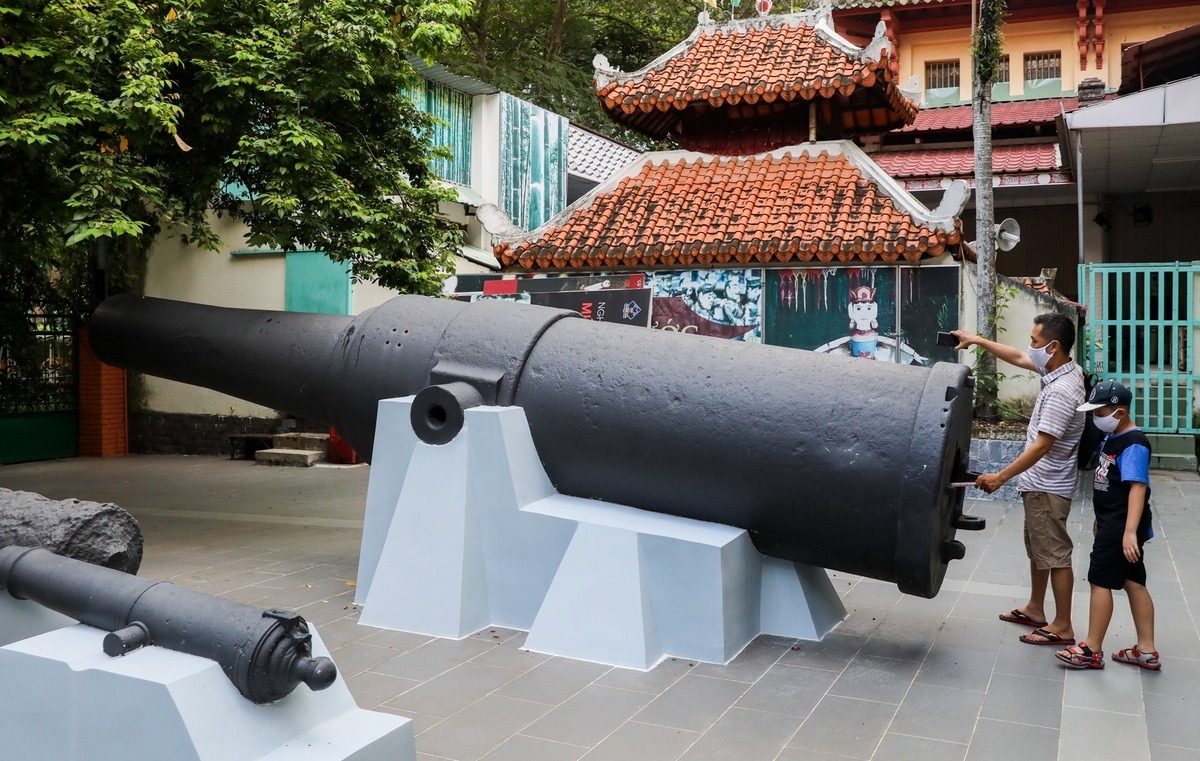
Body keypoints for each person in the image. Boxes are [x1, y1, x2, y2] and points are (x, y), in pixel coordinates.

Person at [951, 312, 1086, 646]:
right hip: (1041, 485)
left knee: (1054, 554)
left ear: (1053, 347)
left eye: (1035, 341)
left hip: (1048, 486)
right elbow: (1019, 357)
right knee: (1039, 549)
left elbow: (1042, 446)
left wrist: (1000, 476)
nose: (1031, 347)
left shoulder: (1062, 390)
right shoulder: (1062, 368)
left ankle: (1063, 625)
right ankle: (1036, 608)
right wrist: (978, 340)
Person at [1055, 380, 1160, 670]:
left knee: (1100, 580)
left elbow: (1137, 488)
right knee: (1133, 581)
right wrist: (1101, 521)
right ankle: (1146, 651)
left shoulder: (1134, 444)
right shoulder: (1112, 437)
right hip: (1113, 522)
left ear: (1120, 413)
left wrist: (1128, 532)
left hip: (1122, 524)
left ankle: (1091, 648)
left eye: (1100, 413)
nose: (1096, 418)